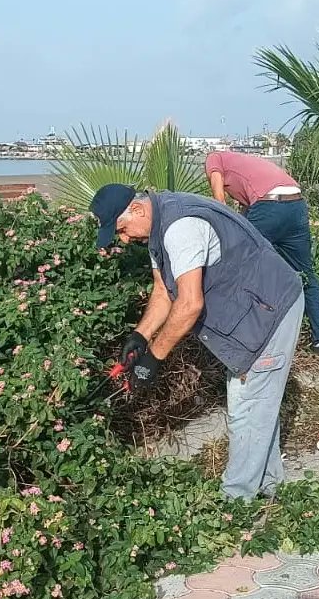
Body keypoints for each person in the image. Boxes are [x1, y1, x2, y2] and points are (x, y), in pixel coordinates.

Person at [91, 183, 304, 501]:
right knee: (257, 404)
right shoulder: (157, 223)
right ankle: (271, 485)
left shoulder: (181, 228)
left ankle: (237, 502)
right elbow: (164, 291)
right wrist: (140, 335)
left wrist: (153, 358)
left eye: (121, 229)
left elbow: (189, 304)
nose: (123, 239)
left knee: (247, 406)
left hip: (269, 310)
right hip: (253, 308)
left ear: (136, 210)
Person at [204, 150, 319, 360]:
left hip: (269, 205)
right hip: (296, 204)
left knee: (239, 271)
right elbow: (247, 212)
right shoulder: (249, 164)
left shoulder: (213, 158)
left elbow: (219, 201)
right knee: (306, 275)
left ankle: (240, 340)